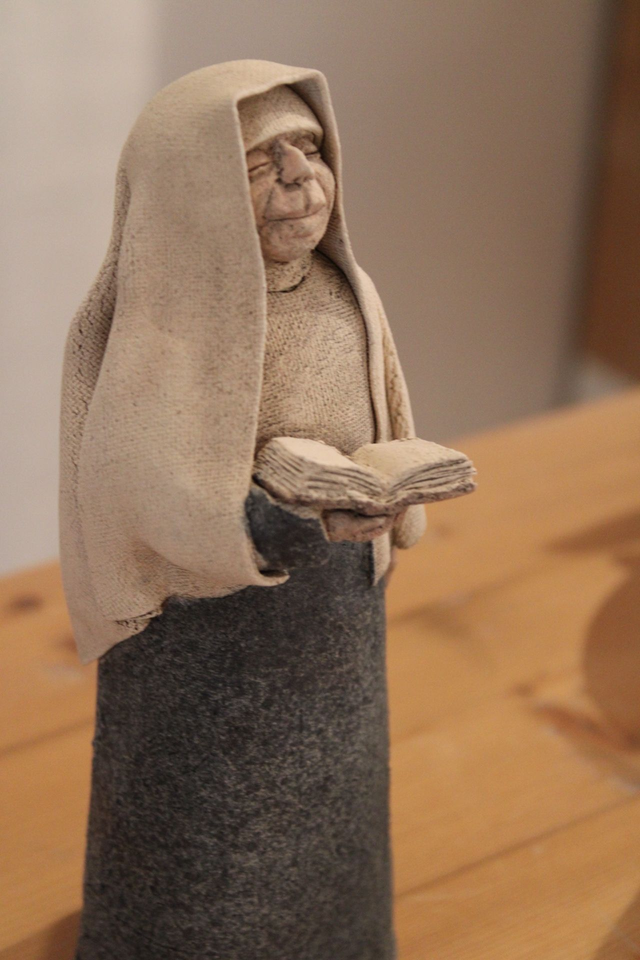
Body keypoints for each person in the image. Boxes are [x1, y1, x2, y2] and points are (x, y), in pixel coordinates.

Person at [61, 60, 426, 960]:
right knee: (208, 848)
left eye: (311, 148)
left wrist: (393, 497)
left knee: (334, 807)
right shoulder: (165, 333)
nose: (302, 179)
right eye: (263, 161)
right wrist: (269, 513)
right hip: (208, 643)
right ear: (194, 190)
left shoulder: (349, 294)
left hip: (335, 623)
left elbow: (387, 405)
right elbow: (134, 481)